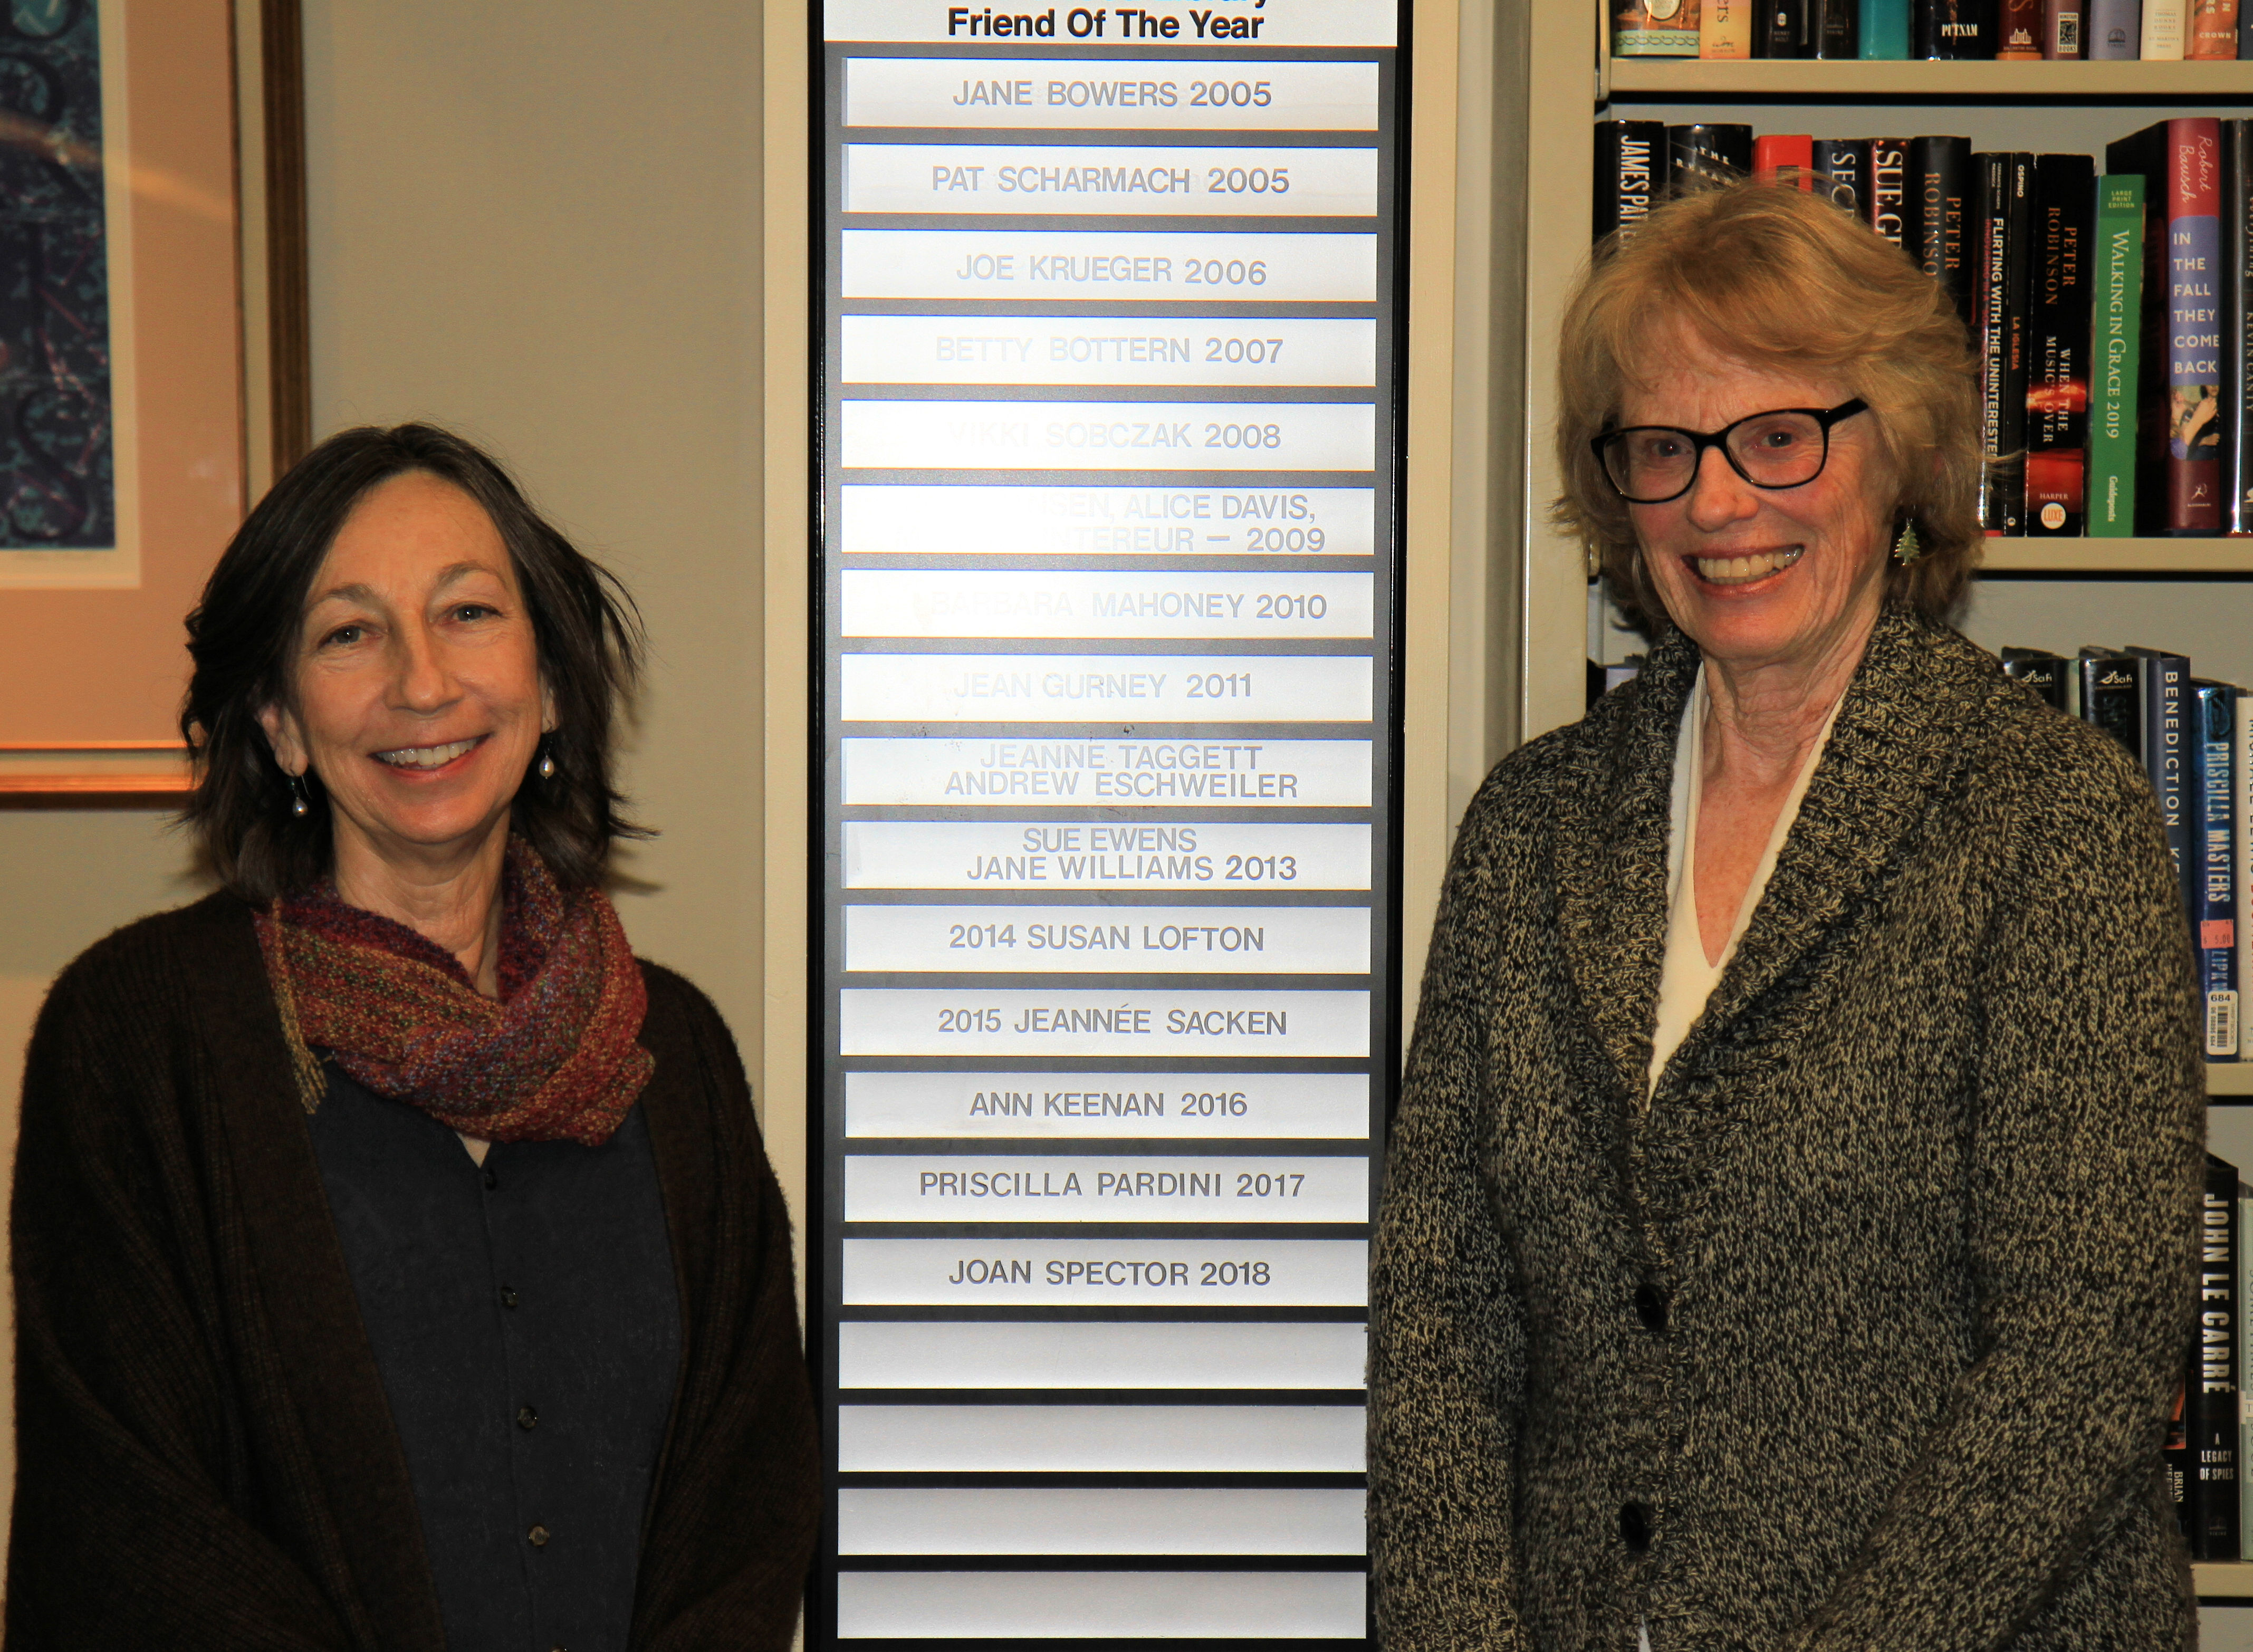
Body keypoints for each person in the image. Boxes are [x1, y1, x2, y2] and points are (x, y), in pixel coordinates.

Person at [1368, 182, 2203, 1648]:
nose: (1716, 500)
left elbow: (2087, 1345)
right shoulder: (1534, 824)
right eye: (1664, 448)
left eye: (1777, 436)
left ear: (1905, 461)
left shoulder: (2047, 815)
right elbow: (1441, 1303)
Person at [9, 425, 819, 1650]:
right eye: (349, 633)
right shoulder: (139, 1043)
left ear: (549, 684)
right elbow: (128, 1532)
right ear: (280, 722)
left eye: (470, 614)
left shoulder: (677, 1056)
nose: (422, 684)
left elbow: (748, 1502)